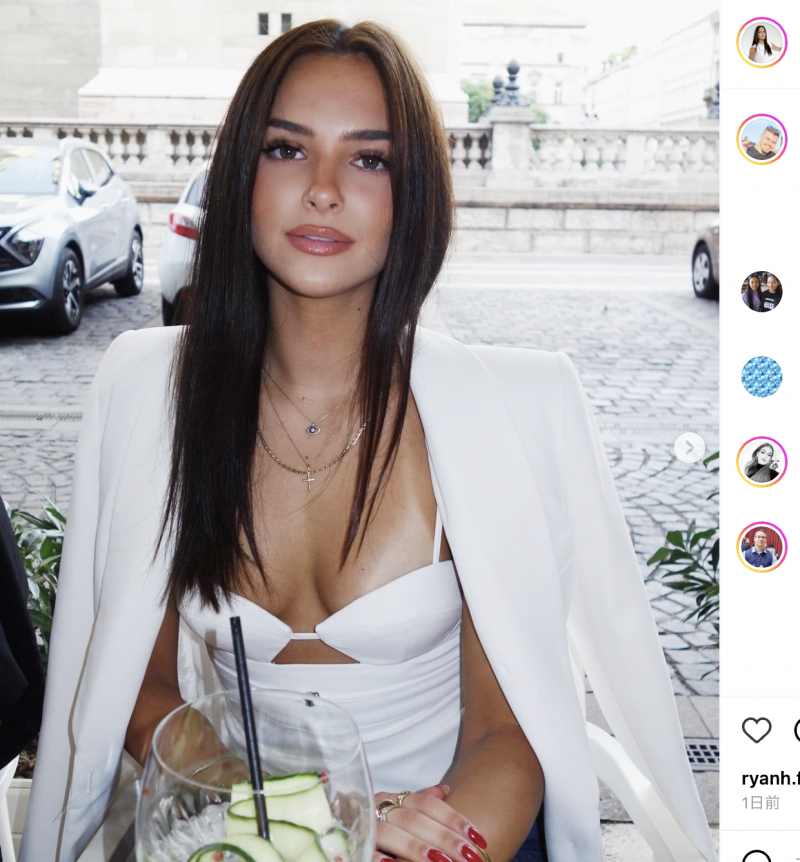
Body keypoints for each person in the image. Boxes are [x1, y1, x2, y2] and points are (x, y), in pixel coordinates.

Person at [20, 20, 716, 862]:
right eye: (287, 149)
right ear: (240, 176)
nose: (322, 190)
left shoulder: (507, 410)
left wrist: (407, 845)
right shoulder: (150, 392)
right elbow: (140, 678)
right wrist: (273, 816)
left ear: (413, 194)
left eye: (369, 160)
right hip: (236, 825)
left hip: (448, 825)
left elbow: (508, 729)